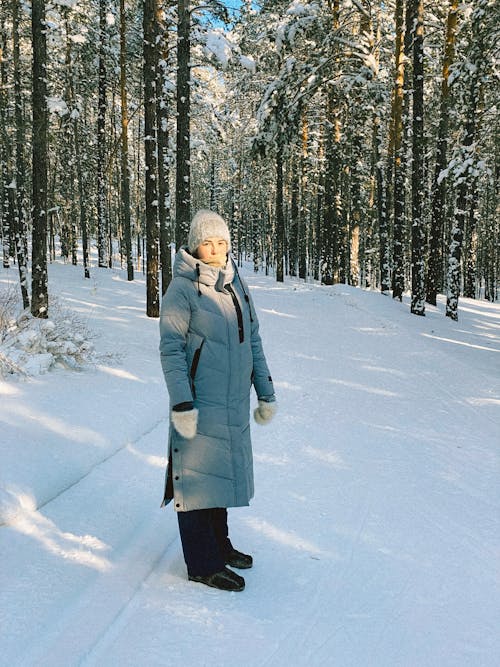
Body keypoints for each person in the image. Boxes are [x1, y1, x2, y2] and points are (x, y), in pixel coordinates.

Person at [159, 209, 277, 592]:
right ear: (195, 244)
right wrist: (181, 403)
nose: (215, 249)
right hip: (199, 402)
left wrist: (266, 391)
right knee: (194, 480)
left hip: (232, 401)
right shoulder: (182, 289)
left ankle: (219, 546)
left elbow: (253, 339)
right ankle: (202, 563)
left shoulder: (235, 282)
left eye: (222, 241)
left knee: (220, 474)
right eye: (207, 242)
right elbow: (171, 351)